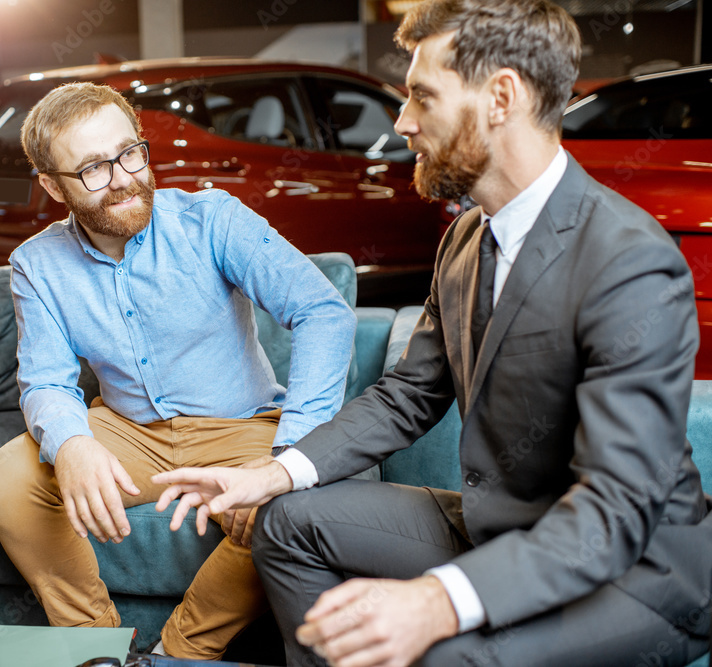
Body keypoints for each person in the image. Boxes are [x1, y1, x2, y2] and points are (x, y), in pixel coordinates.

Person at [153, 1, 712, 665]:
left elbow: (615, 508)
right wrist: (273, 473)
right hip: (496, 526)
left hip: (635, 569)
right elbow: (410, 393)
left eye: (422, 95)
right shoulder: (466, 237)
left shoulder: (628, 260)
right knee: (284, 523)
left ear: (500, 96)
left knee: (448, 655)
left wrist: (440, 598)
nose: (401, 121)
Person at [0, 81, 356, 659]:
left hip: (242, 427)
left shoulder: (212, 219)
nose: (125, 178)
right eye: (93, 169)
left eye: (130, 153)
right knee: (9, 477)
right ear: (53, 186)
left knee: (293, 502)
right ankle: (96, 647)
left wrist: (290, 455)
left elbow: (322, 312)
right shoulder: (36, 264)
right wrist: (73, 443)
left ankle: (177, 653)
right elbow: (48, 381)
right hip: (128, 430)